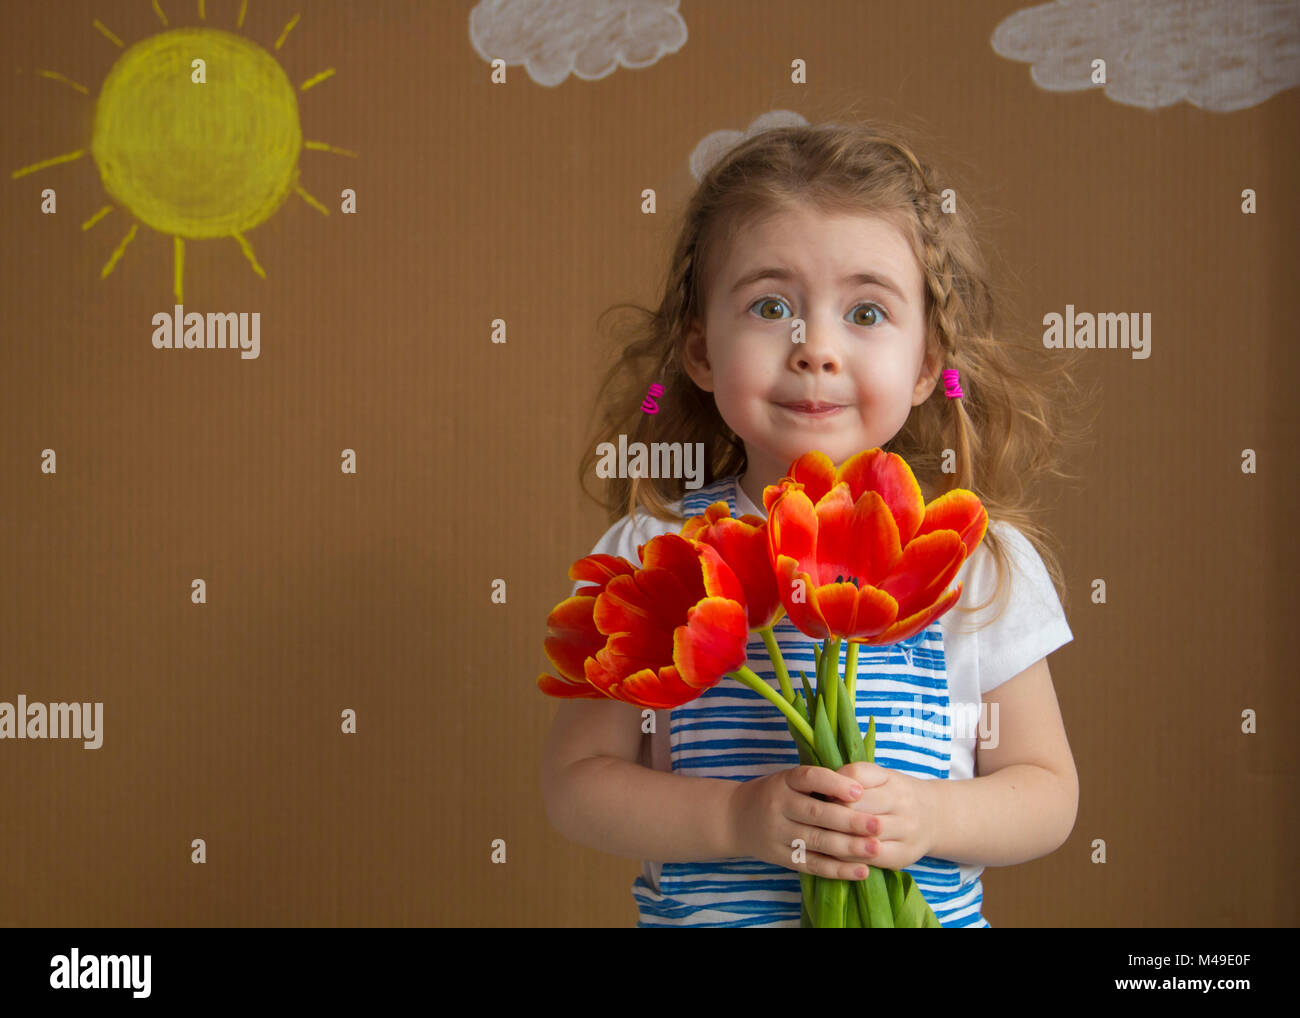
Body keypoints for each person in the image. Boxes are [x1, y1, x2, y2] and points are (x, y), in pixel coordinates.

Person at [540, 121, 1093, 927]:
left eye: (867, 312)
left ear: (930, 362)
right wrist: (737, 819)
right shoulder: (650, 553)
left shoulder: (977, 562)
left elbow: (1047, 792)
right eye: (772, 306)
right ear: (699, 350)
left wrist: (931, 816)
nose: (817, 348)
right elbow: (577, 784)